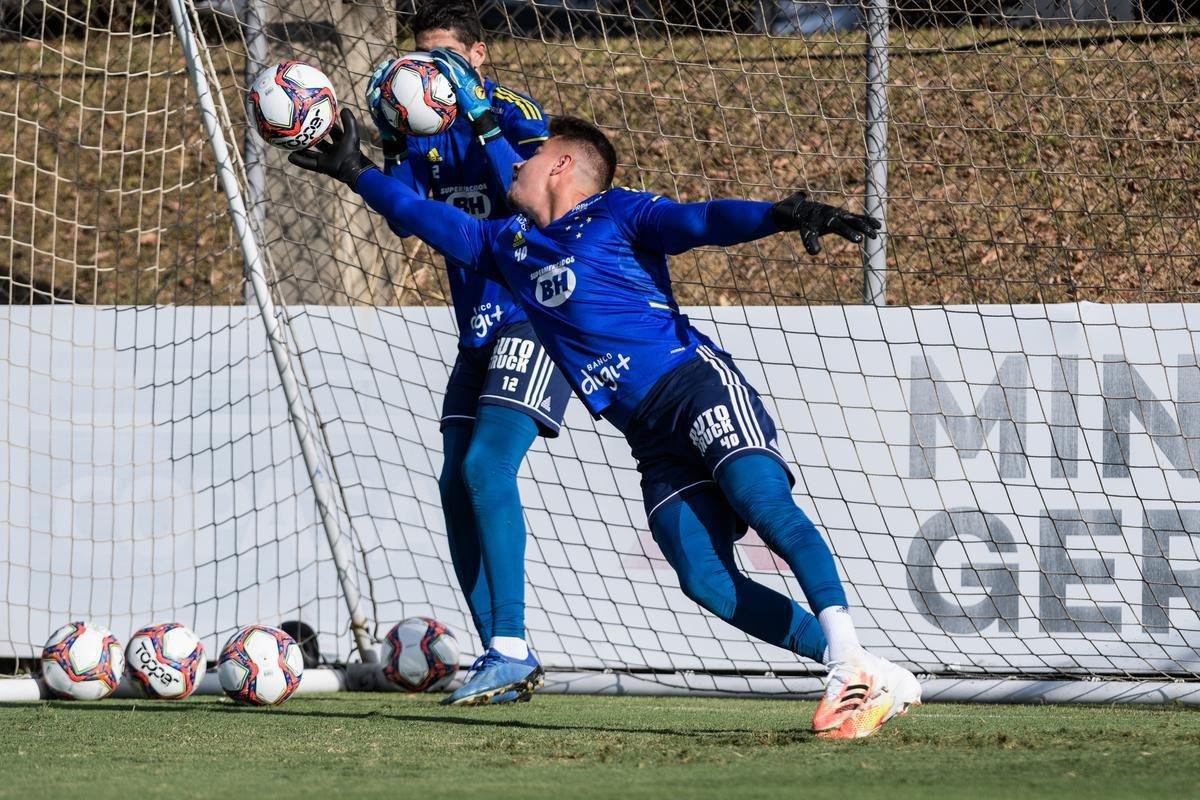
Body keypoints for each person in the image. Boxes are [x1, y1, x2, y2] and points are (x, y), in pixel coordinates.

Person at [291, 109, 922, 738]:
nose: (517, 163)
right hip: (648, 437)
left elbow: (698, 220)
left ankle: (845, 664)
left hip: (695, 388)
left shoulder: (618, 212)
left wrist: (779, 214)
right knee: (705, 580)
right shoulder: (507, 244)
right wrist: (355, 171)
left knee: (761, 500)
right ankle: (871, 669)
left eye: (531, 155)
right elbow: (428, 219)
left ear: (563, 165)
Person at [366, 1, 571, 706]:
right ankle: (500, 658)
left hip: (536, 316)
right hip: (477, 329)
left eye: (446, 59)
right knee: (455, 486)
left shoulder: (517, 113)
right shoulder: (421, 130)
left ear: (478, 58)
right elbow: (400, 222)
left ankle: (510, 644)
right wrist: (393, 145)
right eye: (421, 61)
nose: (431, 74)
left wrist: (481, 117)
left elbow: (535, 201)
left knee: (487, 467)